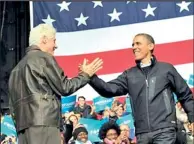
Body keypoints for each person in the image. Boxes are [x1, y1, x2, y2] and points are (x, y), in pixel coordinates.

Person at [88, 33, 194, 144]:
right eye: (133, 44)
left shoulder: (166, 69)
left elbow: (185, 95)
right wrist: (90, 77)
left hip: (165, 130)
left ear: (151, 46)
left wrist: (192, 118)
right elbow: (108, 89)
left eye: (138, 43)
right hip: (142, 134)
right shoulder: (129, 74)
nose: (134, 47)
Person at [8, 24, 103, 144]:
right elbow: (65, 87)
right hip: (45, 124)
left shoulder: (14, 70)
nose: (56, 45)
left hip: (22, 130)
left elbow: (12, 107)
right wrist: (85, 75)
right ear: (44, 39)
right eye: (54, 40)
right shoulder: (43, 58)